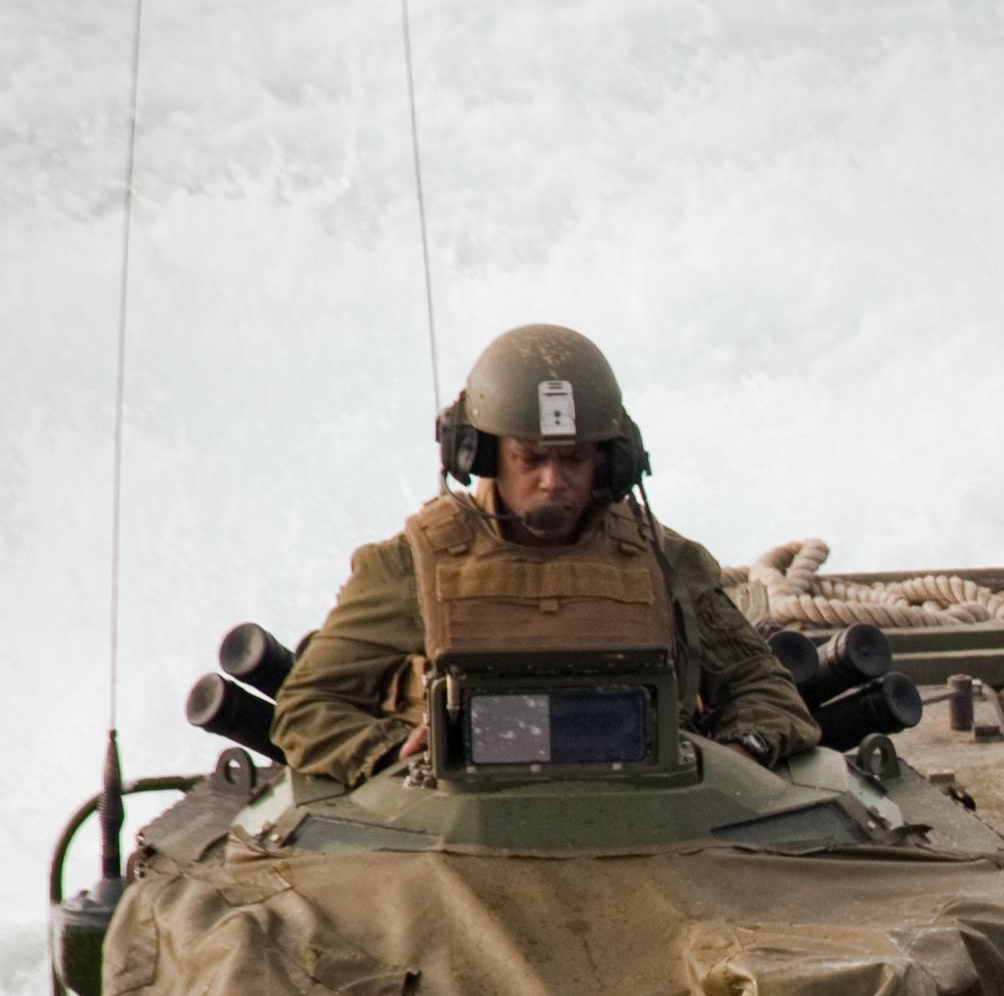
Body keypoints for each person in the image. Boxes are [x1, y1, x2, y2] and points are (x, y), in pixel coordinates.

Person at [267, 324, 819, 786]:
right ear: (481, 453)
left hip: (651, 817)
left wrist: (741, 750)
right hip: (454, 831)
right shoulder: (409, 569)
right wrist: (392, 751)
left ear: (610, 461)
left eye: (574, 459)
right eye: (530, 458)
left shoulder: (665, 561)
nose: (554, 481)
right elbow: (308, 706)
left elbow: (761, 686)